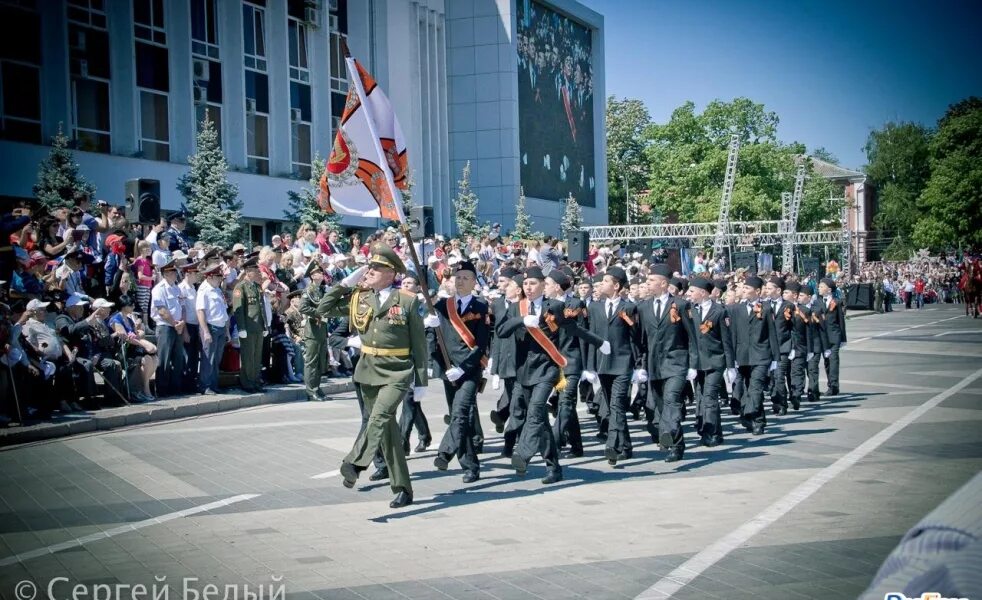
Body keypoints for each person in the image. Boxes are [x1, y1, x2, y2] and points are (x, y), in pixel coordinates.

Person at [316, 243, 428, 509]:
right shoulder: (360, 297)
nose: (370, 272)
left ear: (391, 272)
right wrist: (345, 282)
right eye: (370, 267)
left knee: (378, 417)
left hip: (397, 370)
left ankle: (355, 463)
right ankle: (403, 488)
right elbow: (323, 308)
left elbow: (419, 344)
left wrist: (421, 380)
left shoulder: (407, 301)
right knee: (387, 432)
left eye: (376, 268)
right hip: (368, 370)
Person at [496, 266, 576, 484]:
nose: (528, 288)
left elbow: (571, 337)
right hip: (524, 370)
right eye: (525, 284)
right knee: (540, 420)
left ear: (542, 284)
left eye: (532, 283)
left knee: (536, 410)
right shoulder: (516, 308)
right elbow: (501, 331)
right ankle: (554, 467)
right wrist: (521, 321)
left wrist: (573, 367)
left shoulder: (557, 307)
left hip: (547, 370)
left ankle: (523, 454)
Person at [424, 260, 490, 484]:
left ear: (474, 282)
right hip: (448, 370)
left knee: (461, 414)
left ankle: (444, 452)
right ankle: (471, 466)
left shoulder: (482, 307)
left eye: (465, 278)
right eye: (457, 277)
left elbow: (481, 344)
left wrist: (463, 368)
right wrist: (429, 324)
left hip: (470, 370)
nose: (460, 281)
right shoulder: (442, 306)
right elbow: (433, 341)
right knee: (458, 418)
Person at [637, 264, 698, 462]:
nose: (647, 284)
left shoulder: (680, 305)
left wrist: (692, 364)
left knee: (672, 399)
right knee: (661, 406)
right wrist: (640, 366)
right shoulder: (643, 307)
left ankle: (670, 435)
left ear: (664, 283)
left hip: (676, 362)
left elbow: (692, 336)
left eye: (651, 280)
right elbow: (641, 339)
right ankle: (677, 443)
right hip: (654, 364)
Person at [727, 275, 780, 435]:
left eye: (747, 288)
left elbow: (772, 333)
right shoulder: (737, 309)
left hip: (761, 355)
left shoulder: (766, 308)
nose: (743, 290)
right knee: (746, 388)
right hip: (742, 356)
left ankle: (748, 413)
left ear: (757, 291)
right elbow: (733, 334)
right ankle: (758, 421)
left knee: (756, 388)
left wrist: (775, 358)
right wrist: (733, 358)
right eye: (743, 288)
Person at [688, 278, 733, 447]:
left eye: (692, 291)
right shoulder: (690, 310)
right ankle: (715, 431)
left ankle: (711, 432)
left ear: (703, 292)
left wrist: (730, 366)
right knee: (701, 397)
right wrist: (690, 364)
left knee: (710, 397)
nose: (689, 294)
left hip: (715, 360)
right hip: (698, 362)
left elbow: (726, 340)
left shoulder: (719, 311)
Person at [108, 295, 157, 403]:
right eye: (131, 304)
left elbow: (135, 334)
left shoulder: (129, 319)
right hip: (123, 351)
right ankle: (143, 389)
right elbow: (125, 338)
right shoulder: (116, 319)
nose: (133, 306)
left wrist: (140, 331)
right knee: (146, 360)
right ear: (124, 306)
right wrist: (144, 345)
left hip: (134, 349)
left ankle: (144, 387)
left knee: (153, 359)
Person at [150, 260, 187, 397]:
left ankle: (176, 388)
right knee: (164, 359)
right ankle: (162, 389)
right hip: (165, 326)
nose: (174, 274)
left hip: (178, 326)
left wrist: (182, 322)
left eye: (174, 272)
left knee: (178, 358)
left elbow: (182, 307)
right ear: (165, 274)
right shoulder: (159, 289)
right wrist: (175, 324)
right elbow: (162, 311)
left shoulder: (177, 288)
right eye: (171, 272)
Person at [232, 257, 267, 393]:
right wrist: (241, 328)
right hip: (247, 327)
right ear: (247, 271)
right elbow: (238, 309)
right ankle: (247, 383)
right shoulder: (240, 287)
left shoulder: (257, 287)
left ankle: (255, 381)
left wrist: (264, 326)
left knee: (257, 356)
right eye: (254, 270)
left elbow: (261, 308)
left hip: (258, 326)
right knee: (248, 356)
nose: (258, 272)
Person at [196, 263, 229, 395]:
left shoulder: (217, 290)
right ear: (209, 276)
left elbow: (223, 311)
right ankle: (205, 386)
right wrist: (205, 331)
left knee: (216, 359)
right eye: (218, 276)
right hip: (211, 327)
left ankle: (214, 384)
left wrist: (227, 331)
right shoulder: (203, 290)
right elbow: (200, 311)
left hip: (220, 327)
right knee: (208, 358)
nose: (220, 279)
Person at [300, 260, 328, 401]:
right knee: (311, 362)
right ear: (311, 276)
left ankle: (316, 387)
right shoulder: (309, 290)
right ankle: (311, 391)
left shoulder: (322, 289)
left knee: (319, 361)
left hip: (321, 329)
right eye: (317, 273)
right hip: (312, 330)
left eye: (321, 272)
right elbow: (303, 307)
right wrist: (318, 313)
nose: (320, 274)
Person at [818, 277, 846, 396]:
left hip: (834, 336)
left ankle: (834, 386)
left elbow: (841, 321)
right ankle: (831, 383)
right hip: (822, 338)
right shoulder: (817, 302)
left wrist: (843, 338)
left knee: (833, 361)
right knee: (827, 362)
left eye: (821, 286)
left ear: (829, 289)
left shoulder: (837, 302)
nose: (819, 288)